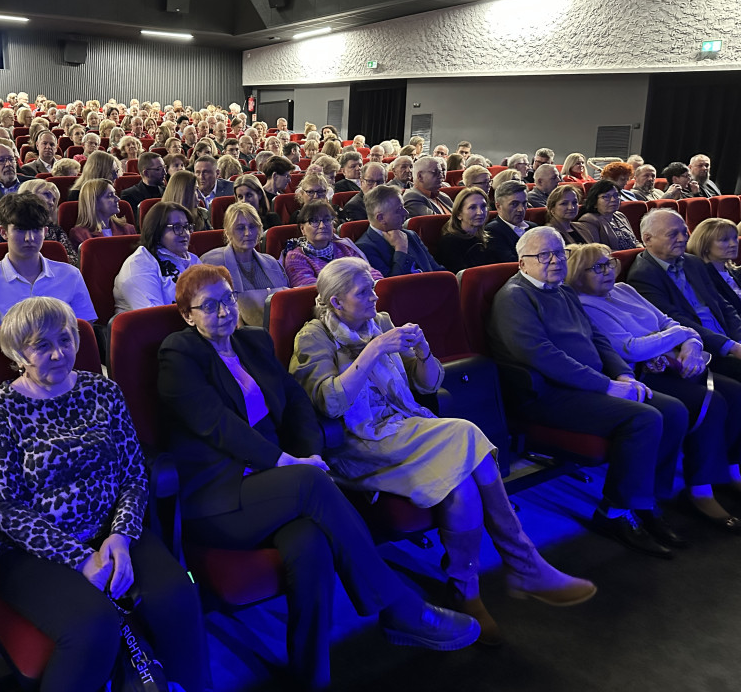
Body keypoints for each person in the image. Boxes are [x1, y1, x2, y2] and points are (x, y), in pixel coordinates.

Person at [157, 264, 480, 689]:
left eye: (229, 299)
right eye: (209, 306)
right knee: (312, 485)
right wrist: (287, 464)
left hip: (278, 488)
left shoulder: (252, 342)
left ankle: (311, 675)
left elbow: (296, 405)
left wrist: (308, 453)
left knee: (310, 547)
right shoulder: (179, 353)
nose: (223, 312)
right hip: (222, 499)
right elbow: (217, 425)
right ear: (187, 315)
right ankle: (398, 606)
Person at [292, 257, 595, 645]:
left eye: (372, 287)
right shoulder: (312, 337)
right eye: (363, 291)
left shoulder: (380, 323)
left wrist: (422, 352)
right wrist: (372, 352)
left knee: (464, 488)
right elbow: (329, 405)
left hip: (407, 428)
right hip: (359, 445)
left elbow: (430, 386)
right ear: (335, 303)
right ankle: (524, 562)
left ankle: (464, 589)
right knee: (466, 432)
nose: (374, 296)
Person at [0, 297, 211, 692]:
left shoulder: (103, 390)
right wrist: (81, 558)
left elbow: (135, 475)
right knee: (92, 627)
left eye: (66, 339)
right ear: (18, 353)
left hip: (113, 531)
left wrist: (119, 537)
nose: (59, 352)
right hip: (34, 552)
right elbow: (4, 506)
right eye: (42, 345)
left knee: (177, 597)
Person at [489, 226, 688, 558]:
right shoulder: (515, 298)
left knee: (674, 410)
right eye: (543, 255)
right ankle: (613, 512)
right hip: (548, 394)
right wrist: (607, 386)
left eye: (559, 253)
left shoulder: (562, 290)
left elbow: (597, 338)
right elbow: (542, 356)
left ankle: (647, 500)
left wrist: (623, 374)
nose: (554, 260)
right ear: (522, 264)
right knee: (644, 419)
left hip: (590, 383)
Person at [567, 243, 741, 534]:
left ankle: (732, 470)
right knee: (711, 402)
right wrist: (680, 336)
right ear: (576, 275)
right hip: (640, 375)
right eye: (597, 267)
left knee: (735, 393)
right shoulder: (583, 304)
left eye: (608, 263)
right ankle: (700, 491)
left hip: (674, 361)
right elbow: (631, 348)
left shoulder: (625, 290)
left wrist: (691, 346)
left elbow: (668, 322)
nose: (608, 271)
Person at [629, 209, 741, 382]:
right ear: (647, 239)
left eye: (684, 231)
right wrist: (731, 346)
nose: (682, 239)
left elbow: (722, 304)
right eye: (673, 234)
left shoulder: (693, 262)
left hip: (728, 339)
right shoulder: (643, 275)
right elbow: (676, 319)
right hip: (701, 350)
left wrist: (738, 338)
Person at [0, 195, 95, 329]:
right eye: (20, 230)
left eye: (36, 229)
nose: (30, 238)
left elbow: (84, 329)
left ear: (45, 232)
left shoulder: (71, 275)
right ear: (3, 232)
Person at [199, 202, 288, 326]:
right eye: (240, 228)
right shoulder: (210, 263)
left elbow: (284, 305)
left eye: (252, 226)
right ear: (228, 232)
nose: (248, 233)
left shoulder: (272, 262)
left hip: (276, 327)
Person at [113, 201, 201, 314]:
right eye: (177, 227)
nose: (185, 233)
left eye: (187, 227)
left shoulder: (193, 259)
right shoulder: (139, 264)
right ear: (157, 230)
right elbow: (154, 315)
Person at [0, 179, 79, 267]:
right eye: (46, 195)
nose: (51, 202)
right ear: (29, 194)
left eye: (54, 199)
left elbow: (72, 259)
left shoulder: (55, 229)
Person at [356, 184, 443, 277]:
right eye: (399, 209)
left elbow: (437, 269)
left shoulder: (411, 235)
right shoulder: (364, 248)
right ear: (381, 218)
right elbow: (392, 288)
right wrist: (401, 249)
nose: (406, 213)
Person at [689, 217, 741, 319]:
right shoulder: (703, 278)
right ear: (705, 245)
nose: (733, 244)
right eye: (724, 240)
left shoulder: (733, 272)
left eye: (735, 238)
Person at [436, 187, 497, 273]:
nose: (480, 212)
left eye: (483, 206)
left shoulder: (490, 236)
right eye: (472, 208)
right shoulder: (450, 242)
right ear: (458, 214)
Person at [577, 179, 641, 250]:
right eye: (606, 197)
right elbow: (596, 251)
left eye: (616, 195)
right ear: (594, 201)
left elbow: (635, 241)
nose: (613, 199)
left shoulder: (620, 215)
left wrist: (640, 249)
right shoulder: (589, 220)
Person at [69, 178, 136, 246]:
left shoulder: (128, 229)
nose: (118, 199)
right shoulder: (80, 234)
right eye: (110, 196)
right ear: (94, 202)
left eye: (115, 194)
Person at [484, 180, 535, 262]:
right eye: (514, 204)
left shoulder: (534, 227)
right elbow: (510, 261)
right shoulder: (492, 231)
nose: (521, 209)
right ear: (498, 206)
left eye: (524, 203)